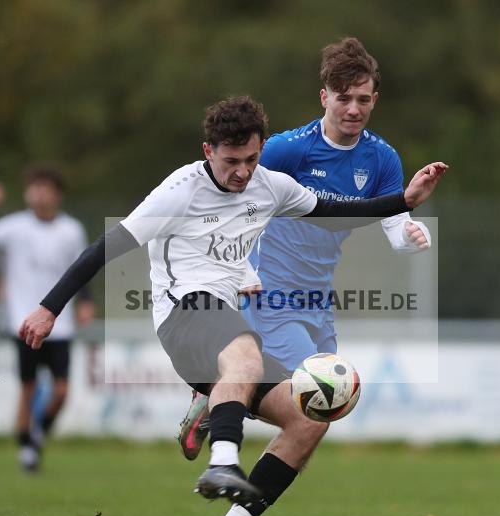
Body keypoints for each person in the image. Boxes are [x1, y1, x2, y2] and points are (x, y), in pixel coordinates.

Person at [18, 96, 448, 516]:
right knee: (244, 350)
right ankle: (222, 461)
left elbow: (331, 214)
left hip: (223, 317)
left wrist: (402, 201)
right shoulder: (180, 190)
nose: (242, 172)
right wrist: (49, 307)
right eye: (231, 161)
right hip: (182, 312)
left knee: (309, 415)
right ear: (208, 151)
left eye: (251, 158)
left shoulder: (271, 185)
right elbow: (109, 244)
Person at [177, 37, 432, 461]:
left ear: (375, 100)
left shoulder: (382, 158)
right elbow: (232, 205)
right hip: (269, 291)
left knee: (323, 407)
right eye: (344, 97)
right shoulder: (287, 149)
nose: (354, 108)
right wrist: (237, 270)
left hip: (317, 297)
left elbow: (395, 228)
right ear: (324, 97)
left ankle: (218, 397)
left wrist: (412, 235)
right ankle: (238, 502)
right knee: (314, 402)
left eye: (363, 99)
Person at [0, 167, 95, 472]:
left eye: (45, 188)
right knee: (27, 388)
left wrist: (87, 302)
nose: (39, 194)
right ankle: (27, 448)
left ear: (57, 194)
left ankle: (38, 430)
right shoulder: (15, 227)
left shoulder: (71, 230)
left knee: (62, 390)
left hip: (61, 322)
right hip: (24, 320)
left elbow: (83, 266)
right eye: (34, 188)